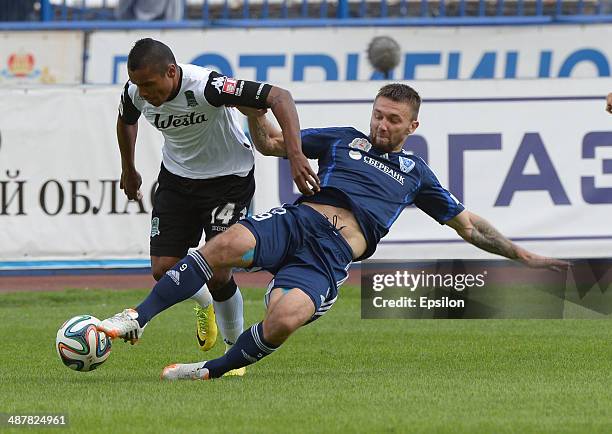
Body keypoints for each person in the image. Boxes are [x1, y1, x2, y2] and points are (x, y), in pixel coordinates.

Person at [99, 83, 568, 380]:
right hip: (298, 221)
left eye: (393, 119)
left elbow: (470, 226)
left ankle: (209, 371)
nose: (382, 124)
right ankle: (134, 319)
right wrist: (252, 110)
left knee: (284, 321)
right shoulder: (343, 137)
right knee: (222, 247)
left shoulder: (415, 173)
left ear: (413, 125)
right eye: (378, 114)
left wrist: (522, 256)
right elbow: (270, 145)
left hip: (329, 257)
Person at [114, 38, 319, 375]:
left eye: (150, 84)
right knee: (163, 270)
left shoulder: (208, 85)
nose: (145, 93)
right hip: (177, 179)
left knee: (220, 271)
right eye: (138, 85)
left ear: (171, 71)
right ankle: (204, 304)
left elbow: (279, 96)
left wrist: (295, 154)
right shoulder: (135, 92)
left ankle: (234, 354)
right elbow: (126, 120)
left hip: (228, 180)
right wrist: (128, 167)